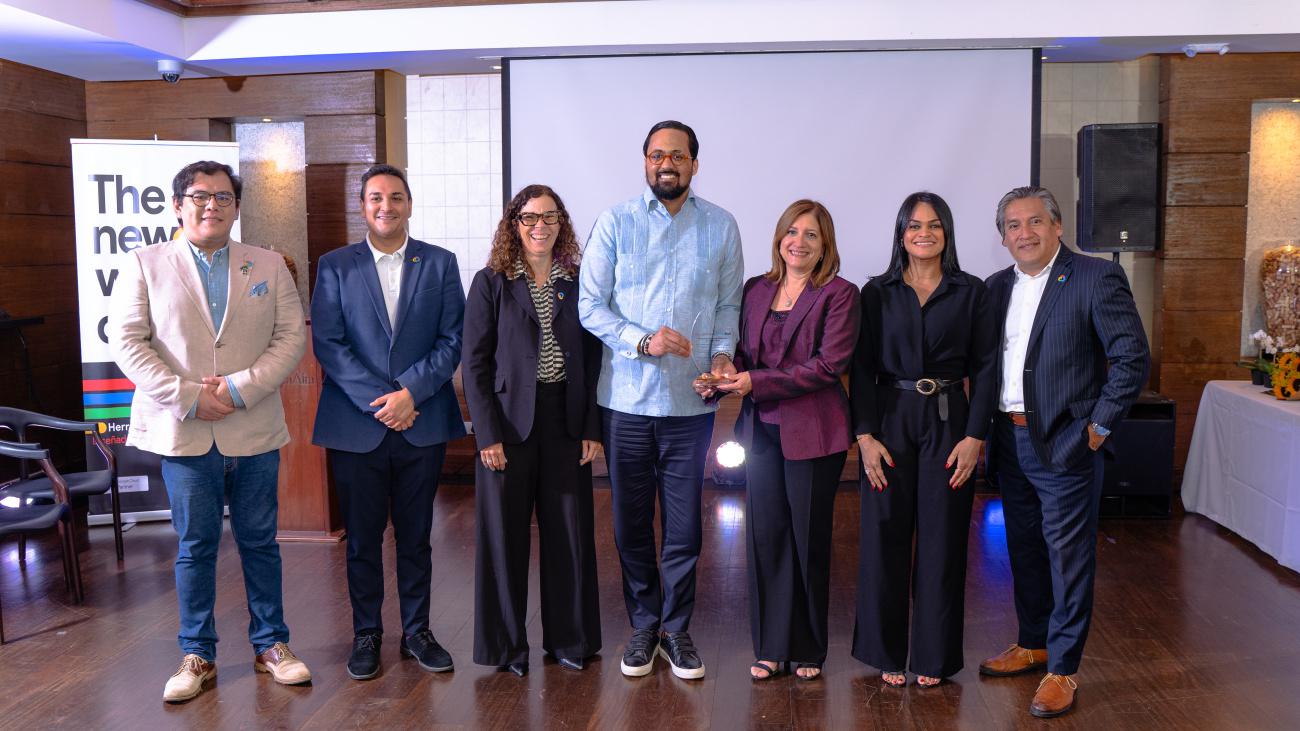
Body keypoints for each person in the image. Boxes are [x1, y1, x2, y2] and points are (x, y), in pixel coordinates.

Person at [109, 160, 310, 702]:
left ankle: (272, 645)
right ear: (178, 205)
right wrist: (191, 397)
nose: (211, 206)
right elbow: (128, 342)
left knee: (260, 542)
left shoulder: (268, 264)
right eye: (199, 196)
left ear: (236, 208)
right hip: (184, 430)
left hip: (253, 427)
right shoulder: (145, 263)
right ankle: (197, 654)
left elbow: (290, 338)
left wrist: (240, 388)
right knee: (195, 546)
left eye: (223, 198)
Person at [578, 120, 744, 680]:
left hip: (690, 403)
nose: (665, 164)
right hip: (624, 401)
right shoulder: (615, 223)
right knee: (629, 522)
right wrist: (642, 341)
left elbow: (727, 309)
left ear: (695, 163)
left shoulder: (721, 226)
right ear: (644, 162)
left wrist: (721, 359)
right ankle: (643, 624)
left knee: (683, 527)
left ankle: (677, 630)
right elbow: (590, 305)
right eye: (655, 155)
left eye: (676, 155)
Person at [978, 186, 1148, 718]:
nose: (1023, 233)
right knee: (1023, 548)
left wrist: (1095, 430)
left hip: (1067, 443)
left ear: (1056, 227)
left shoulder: (1096, 278)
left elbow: (1131, 359)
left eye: (1033, 222)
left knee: (1068, 558)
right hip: (1008, 438)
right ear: (1002, 235)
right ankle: (1033, 643)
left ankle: (1064, 669)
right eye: (1012, 225)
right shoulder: (994, 287)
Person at [310, 164, 466, 681]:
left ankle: (418, 630)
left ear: (409, 204)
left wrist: (410, 394)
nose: (386, 206)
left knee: (418, 536)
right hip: (358, 424)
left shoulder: (441, 263)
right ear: (362, 206)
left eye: (395, 197)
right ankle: (367, 633)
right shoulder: (335, 265)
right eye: (375, 197)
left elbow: (452, 340)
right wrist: (385, 400)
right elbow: (328, 344)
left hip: (421, 420)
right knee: (362, 538)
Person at [705, 200, 858, 681]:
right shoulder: (755, 290)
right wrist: (726, 370)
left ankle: (809, 648)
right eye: (792, 232)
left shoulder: (839, 294)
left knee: (807, 540)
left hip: (814, 434)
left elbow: (828, 366)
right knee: (765, 538)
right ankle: (771, 645)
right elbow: (743, 352)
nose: (799, 241)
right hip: (761, 431)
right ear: (778, 239)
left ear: (825, 244)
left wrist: (756, 382)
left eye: (811, 235)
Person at [849, 191, 998, 688]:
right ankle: (885, 651)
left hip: (950, 420)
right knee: (883, 537)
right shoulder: (876, 292)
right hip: (890, 417)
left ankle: (933, 657)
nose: (924, 233)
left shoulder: (972, 292)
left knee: (943, 541)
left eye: (934, 225)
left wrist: (976, 435)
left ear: (947, 233)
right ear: (901, 234)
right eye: (914, 226)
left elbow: (986, 367)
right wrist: (865, 437)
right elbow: (862, 368)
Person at [462, 185, 603, 677]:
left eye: (549, 217)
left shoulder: (578, 282)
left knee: (569, 535)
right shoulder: (491, 283)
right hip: (507, 427)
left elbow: (591, 358)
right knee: (504, 538)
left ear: (561, 223)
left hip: (566, 422)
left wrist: (591, 426)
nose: (539, 226)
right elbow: (474, 363)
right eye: (529, 218)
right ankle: (506, 647)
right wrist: (487, 436)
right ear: (514, 225)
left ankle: (570, 641)